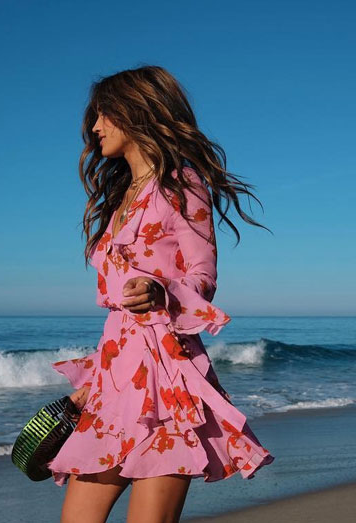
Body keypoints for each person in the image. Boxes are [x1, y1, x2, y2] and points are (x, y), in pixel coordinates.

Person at [47, 65, 275, 523]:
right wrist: (94, 384)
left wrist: (161, 289)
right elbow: (118, 318)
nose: (95, 127)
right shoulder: (119, 198)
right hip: (114, 380)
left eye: (104, 115)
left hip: (168, 381)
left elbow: (203, 275)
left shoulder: (181, 184)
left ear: (136, 113)